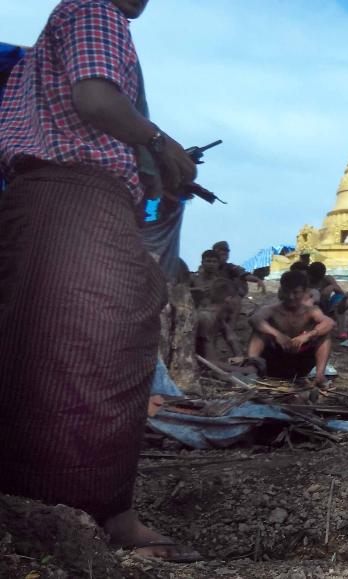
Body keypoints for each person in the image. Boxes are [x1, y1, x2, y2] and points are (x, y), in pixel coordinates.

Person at [0, 0, 201, 562]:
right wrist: (159, 141)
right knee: (103, 347)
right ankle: (102, 513)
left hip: (43, 198)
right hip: (75, 198)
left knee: (37, 352)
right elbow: (94, 97)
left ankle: (36, 502)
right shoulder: (95, 11)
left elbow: (87, 114)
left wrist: (155, 167)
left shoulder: (54, 31)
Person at [247, 271, 335, 385]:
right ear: (282, 290)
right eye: (287, 292)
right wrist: (277, 334)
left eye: (295, 292)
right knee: (259, 331)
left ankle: (319, 375)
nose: (290, 297)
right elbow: (254, 319)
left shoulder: (311, 311)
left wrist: (307, 336)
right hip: (275, 360)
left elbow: (330, 323)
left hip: (300, 361)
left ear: (304, 292)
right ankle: (251, 369)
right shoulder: (271, 309)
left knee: (325, 335)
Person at [194, 278, 243, 367]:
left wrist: (239, 356)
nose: (240, 303)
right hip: (197, 367)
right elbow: (211, 363)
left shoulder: (218, 317)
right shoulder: (206, 319)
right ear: (229, 299)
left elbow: (230, 337)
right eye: (237, 299)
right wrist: (245, 369)